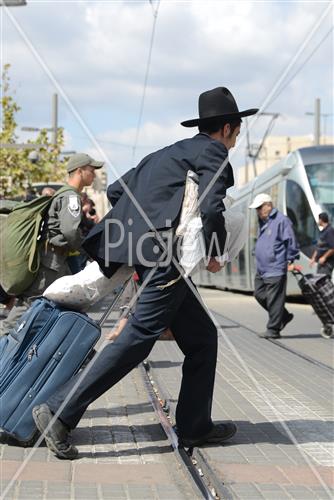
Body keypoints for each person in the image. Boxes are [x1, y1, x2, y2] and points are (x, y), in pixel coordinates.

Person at [32, 86, 259, 459]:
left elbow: (120, 191)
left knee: (202, 338)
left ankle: (194, 425)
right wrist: (216, 252)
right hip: (166, 260)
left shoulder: (166, 154)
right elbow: (212, 207)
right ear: (229, 128)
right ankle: (58, 411)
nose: (235, 138)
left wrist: (140, 233)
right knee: (135, 341)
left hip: (148, 254)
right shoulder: (214, 151)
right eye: (237, 131)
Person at [0, 153, 103, 336]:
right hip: (52, 262)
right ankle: (3, 336)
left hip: (57, 260)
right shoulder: (70, 197)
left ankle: (72, 346)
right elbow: (70, 231)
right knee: (30, 303)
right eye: (91, 170)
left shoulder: (65, 194)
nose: (94, 174)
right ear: (79, 171)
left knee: (70, 301)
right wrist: (88, 249)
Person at [249, 193, 300, 339]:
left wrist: (291, 259)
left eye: (260, 208)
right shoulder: (263, 221)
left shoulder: (281, 220)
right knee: (259, 294)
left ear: (268, 205)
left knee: (274, 299)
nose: (258, 211)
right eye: (257, 209)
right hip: (262, 268)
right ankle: (283, 316)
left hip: (275, 267)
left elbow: (291, 240)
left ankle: (273, 329)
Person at [310, 212, 334, 278]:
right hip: (321, 263)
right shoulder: (323, 232)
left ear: (321, 220)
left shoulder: (329, 231)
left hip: (327, 263)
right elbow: (319, 247)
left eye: (318, 220)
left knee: (324, 282)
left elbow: (333, 247)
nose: (318, 222)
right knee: (319, 281)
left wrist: (324, 257)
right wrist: (313, 258)